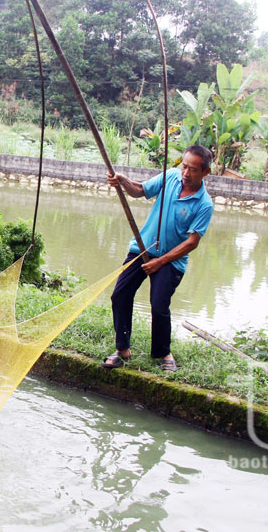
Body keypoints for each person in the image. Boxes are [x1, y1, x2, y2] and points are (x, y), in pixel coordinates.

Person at [101, 144, 214, 373]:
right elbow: (140, 191)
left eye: (192, 169)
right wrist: (122, 181)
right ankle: (122, 349)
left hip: (171, 261)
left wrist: (160, 262)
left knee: (159, 305)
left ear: (205, 173)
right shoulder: (170, 177)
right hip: (142, 249)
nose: (185, 173)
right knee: (120, 294)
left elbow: (192, 242)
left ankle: (163, 352)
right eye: (184, 166)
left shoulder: (204, 204)